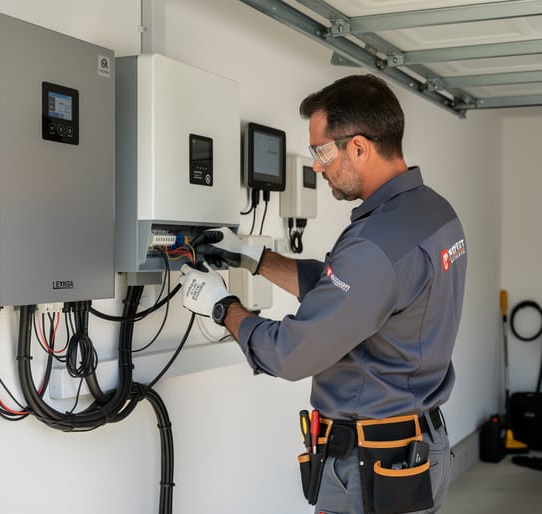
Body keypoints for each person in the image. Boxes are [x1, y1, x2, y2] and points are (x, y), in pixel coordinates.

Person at [179, 74, 467, 514]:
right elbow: (354, 298)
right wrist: (252, 257)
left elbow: (291, 354)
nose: (316, 165)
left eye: (321, 151)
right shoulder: (434, 213)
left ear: (359, 147)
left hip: (372, 469)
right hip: (424, 449)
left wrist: (222, 307)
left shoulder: (375, 243)